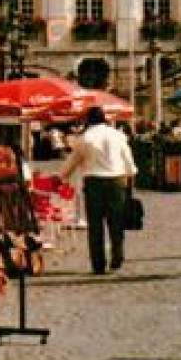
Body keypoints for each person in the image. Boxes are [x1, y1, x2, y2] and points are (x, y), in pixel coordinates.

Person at [59, 105, 137, 275]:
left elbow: (73, 162)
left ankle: (98, 264)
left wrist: (62, 176)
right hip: (116, 181)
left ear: (88, 120)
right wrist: (130, 179)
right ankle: (117, 256)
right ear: (105, 119)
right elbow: (128, 161)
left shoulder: (84, 138)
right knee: (116, 222)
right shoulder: (118, 136)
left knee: (95, 225)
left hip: (94, 182)